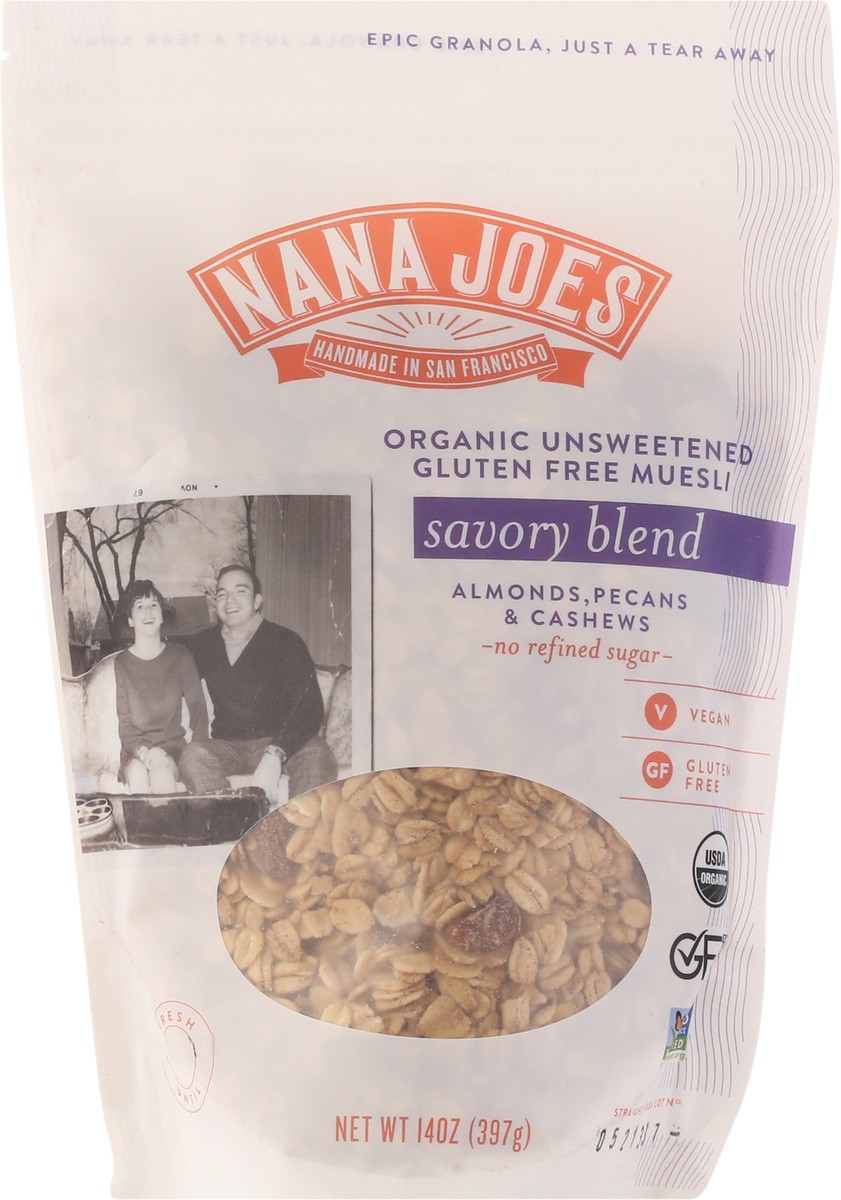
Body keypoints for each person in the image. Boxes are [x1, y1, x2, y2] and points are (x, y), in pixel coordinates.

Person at [179, 564, 337, 799]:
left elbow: (309, 708)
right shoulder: (203, 644)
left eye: (240, 591)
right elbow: (168, 674)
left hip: (279, 741)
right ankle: (233, 819)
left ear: (257, 601)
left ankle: (298, 823)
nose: (230, 601)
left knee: (316, 752)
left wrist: (276, 753)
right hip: (227, 746)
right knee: (193, 756)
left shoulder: (286, 641)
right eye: (222, 594)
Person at [114, 579, 209, 794]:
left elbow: (199, 712)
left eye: (154, 605)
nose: (148, 611)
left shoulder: (181, 657)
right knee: (138, 773)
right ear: (130, 620)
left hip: (172, 749)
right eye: (140, 606)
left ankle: (167, 817)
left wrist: (196, 755)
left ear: (162, 615)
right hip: (136, 751)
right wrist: (144, 753)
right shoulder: (122, 663)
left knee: (161, 772)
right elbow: (125, 725)